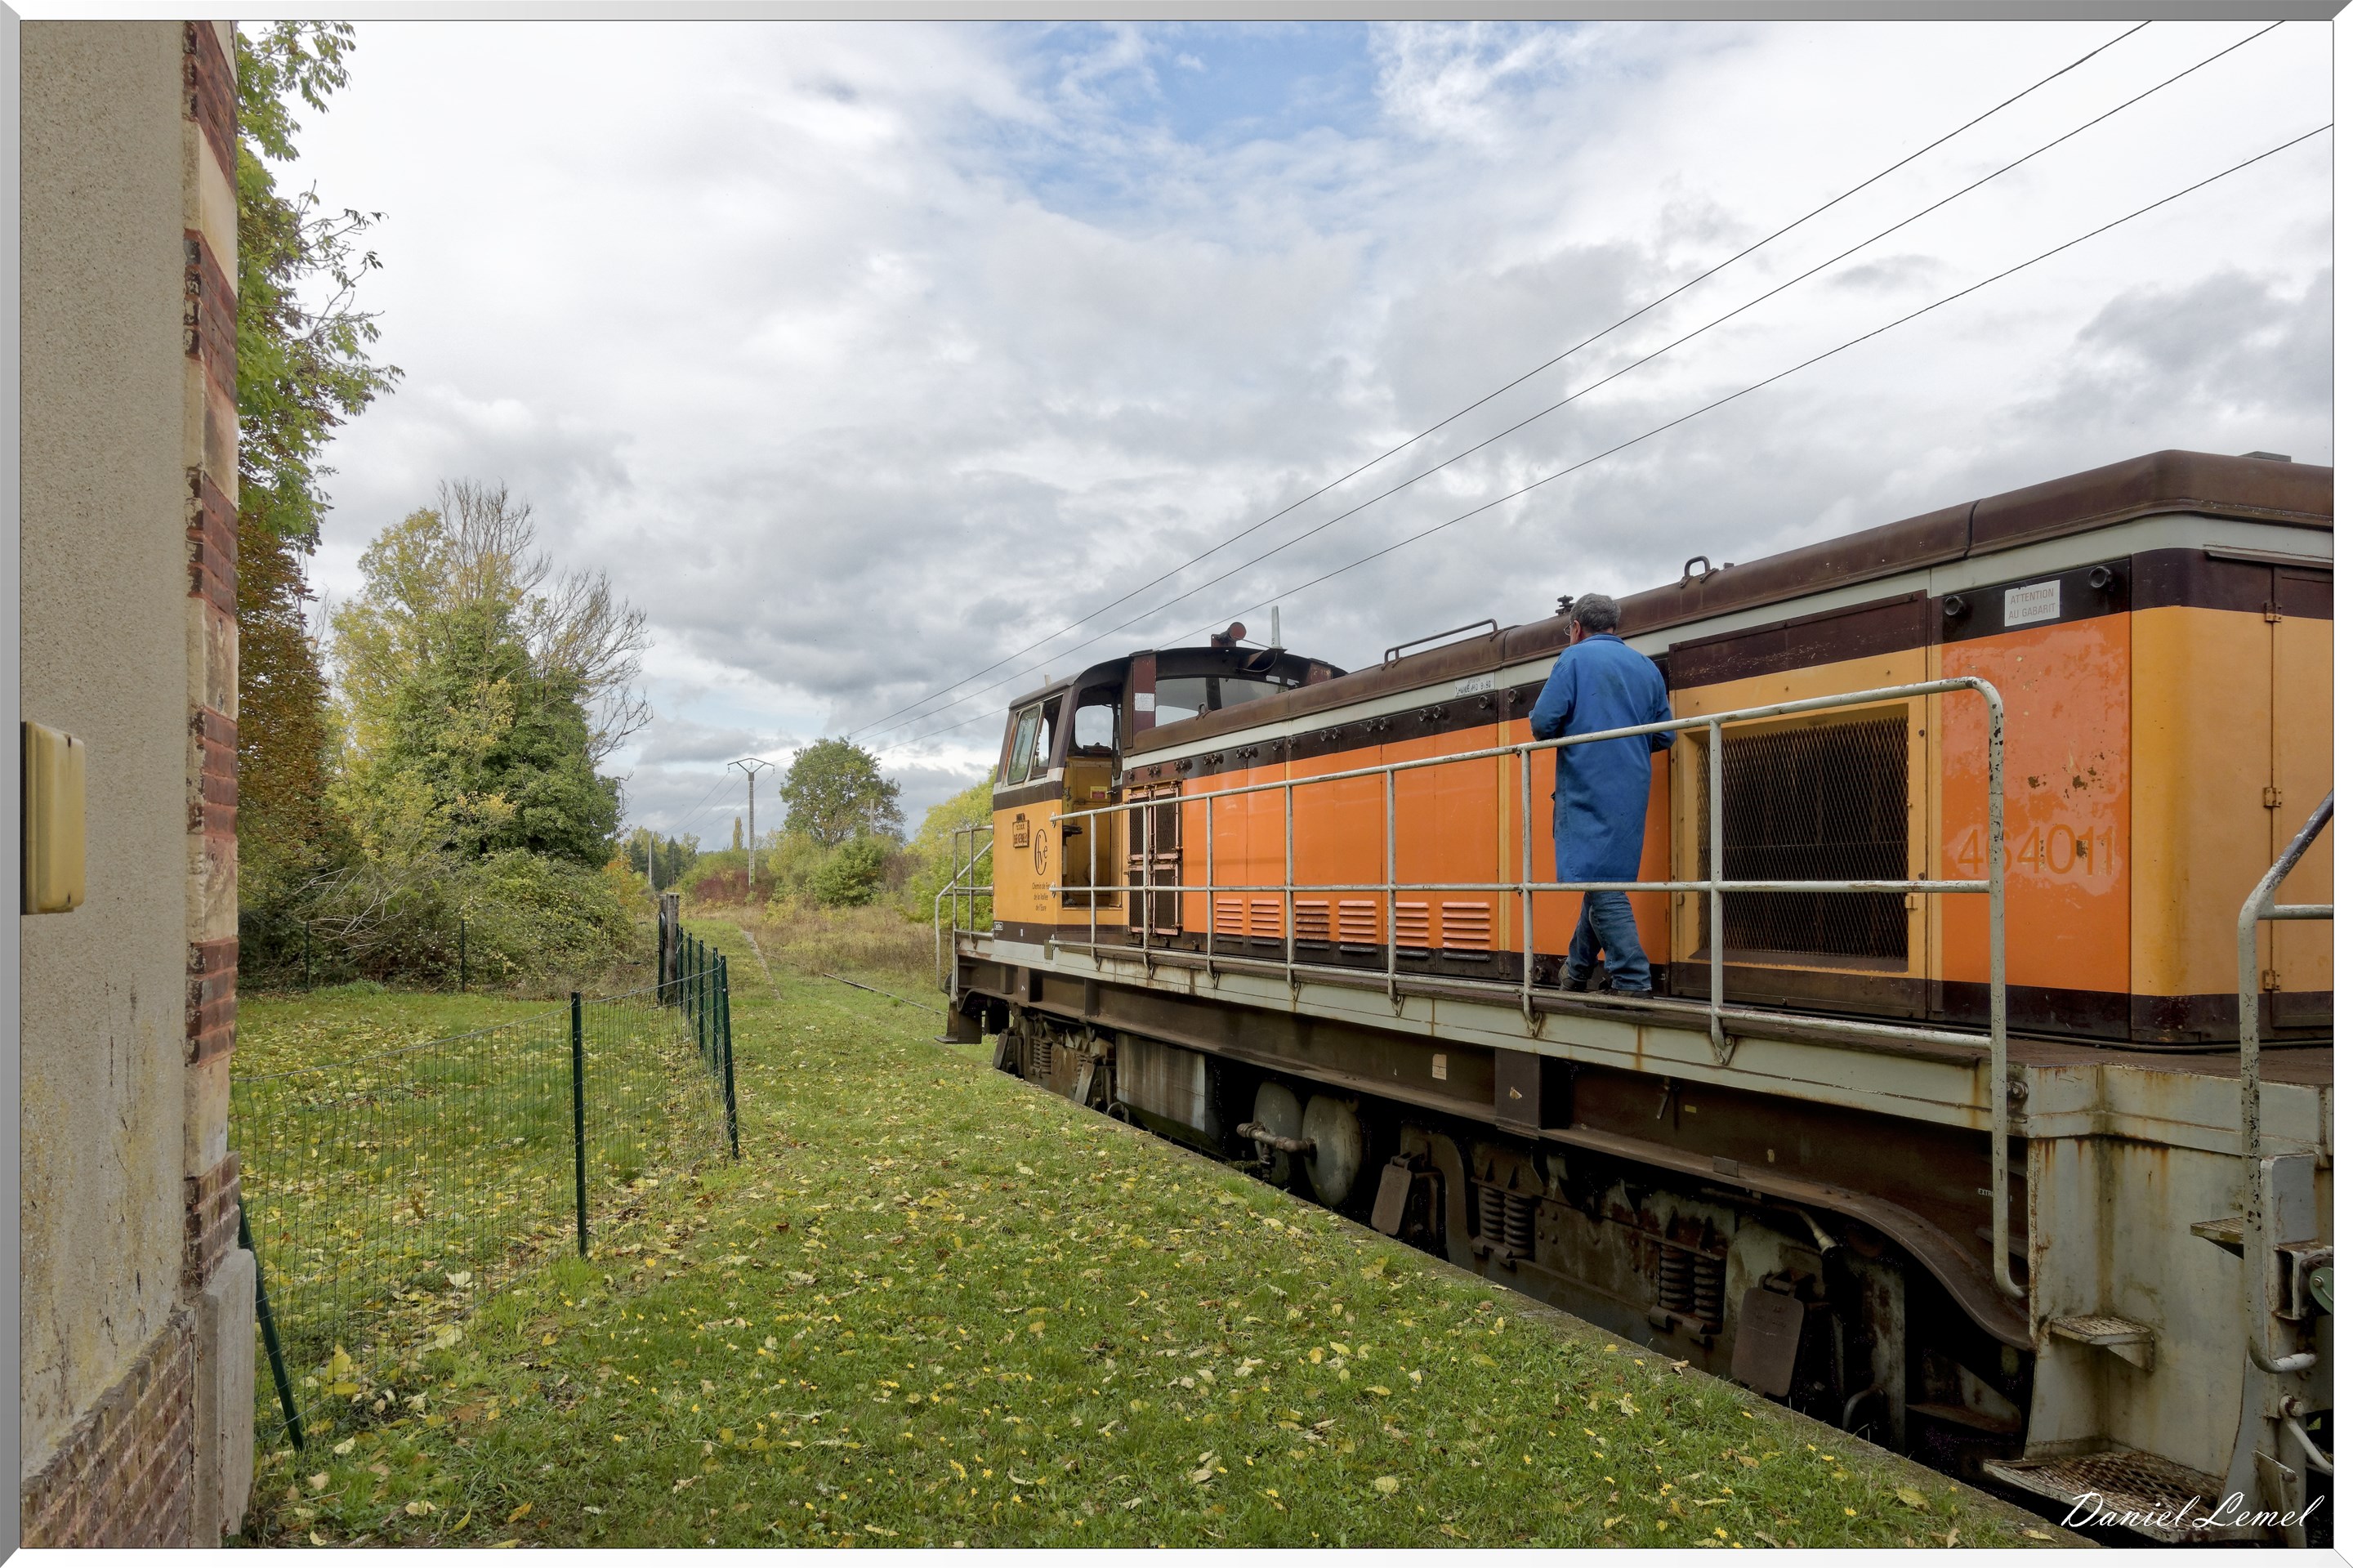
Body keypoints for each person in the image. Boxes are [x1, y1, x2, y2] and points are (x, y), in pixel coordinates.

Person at [1529, 592, 1672, 994]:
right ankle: (1575, 973)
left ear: (1576, 628)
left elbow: (1542, 724)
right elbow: (1665, 735)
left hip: (1587, 785)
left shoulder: (1573, 659)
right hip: (1632, 790)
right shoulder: (1646, 667)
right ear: (1614, 625)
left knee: (1602, 883)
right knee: (1604, 881)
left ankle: (1632, 979)